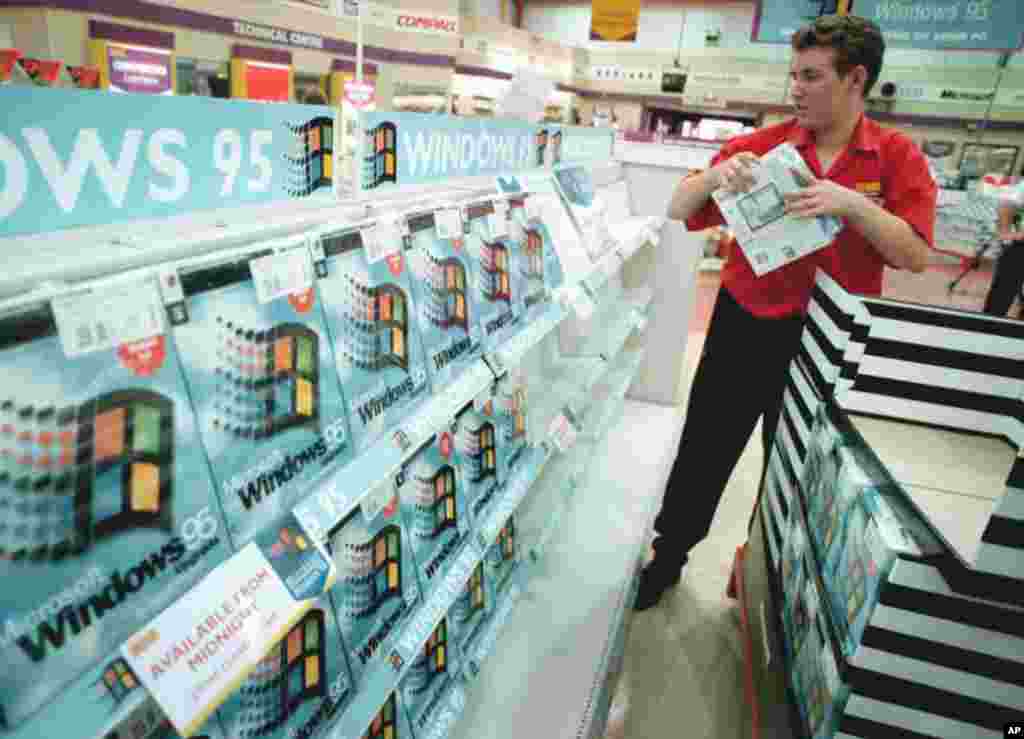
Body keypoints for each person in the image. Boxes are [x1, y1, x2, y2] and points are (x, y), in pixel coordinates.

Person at [635, 14, 936, 611]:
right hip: (744, 322)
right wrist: (717, 175)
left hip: (828, 336)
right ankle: (668, 556)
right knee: (707, 446)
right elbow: (677, 206)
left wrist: (854, 206)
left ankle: (758, 578)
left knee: (795, 462)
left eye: (811, 76)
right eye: (793, 75)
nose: (794, 88)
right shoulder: (759, 147)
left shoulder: (896, 157)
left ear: (855, 79)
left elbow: (915, 255)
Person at [982, 183, 1024, 317]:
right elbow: (1007, 203)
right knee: (999, 302)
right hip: (1020, 248)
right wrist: (1005, 234)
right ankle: (987, 329)